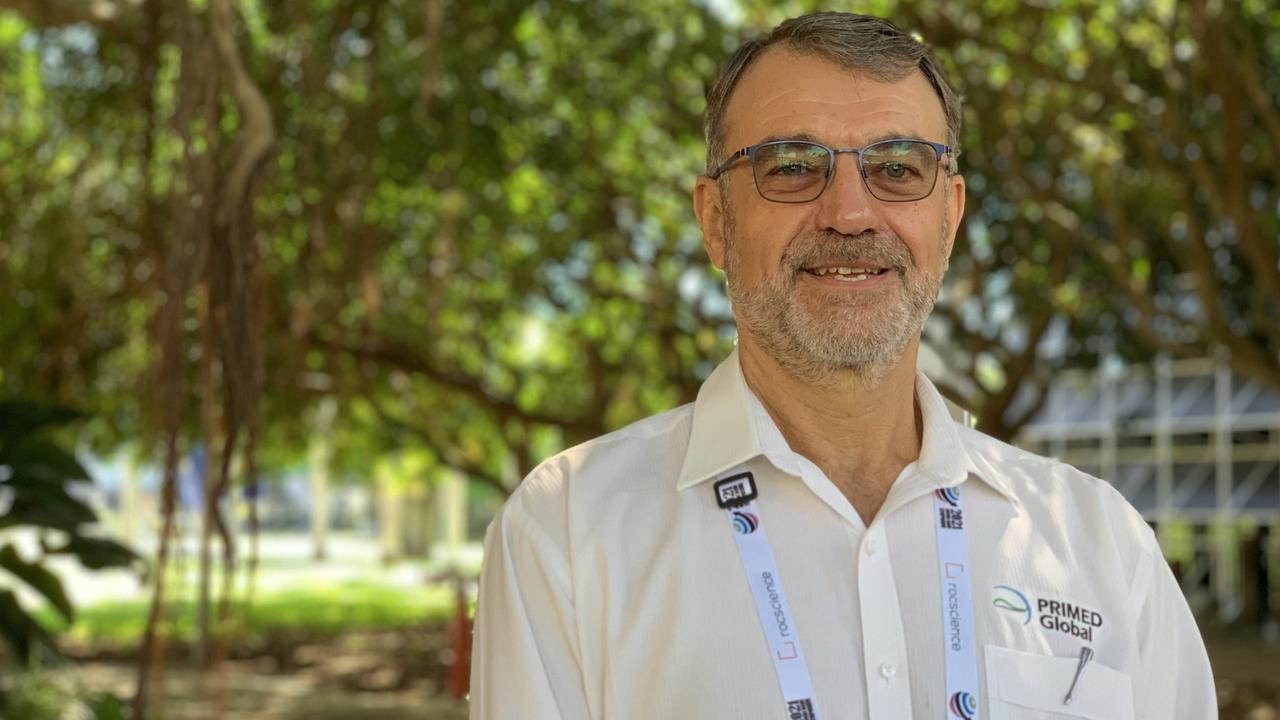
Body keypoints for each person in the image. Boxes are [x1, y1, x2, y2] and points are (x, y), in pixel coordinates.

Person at [469, 11, 1216, 720]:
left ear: (949, 216)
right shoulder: (567, 535)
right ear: (716, 221)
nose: (851, 213)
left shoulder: (1103, 545)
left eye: (898, 167)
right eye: (792, 167)